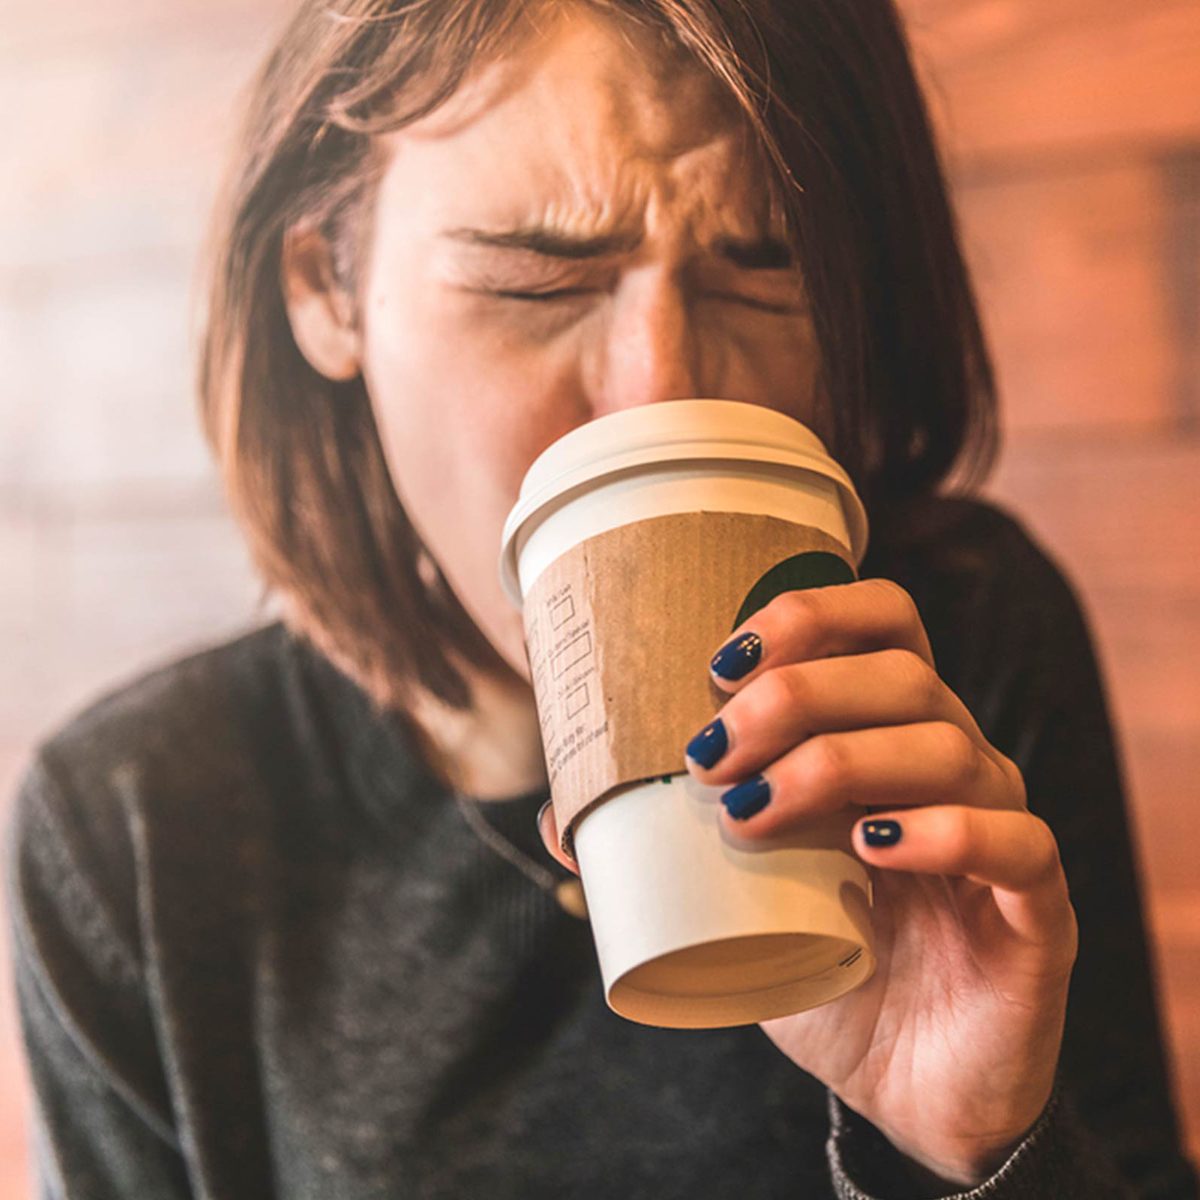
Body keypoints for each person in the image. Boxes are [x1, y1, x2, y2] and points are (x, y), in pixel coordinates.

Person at [5, 0, 1198, 1196]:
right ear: (329, 289)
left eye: (764, 269)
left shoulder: (953, 658)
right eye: (536, 281)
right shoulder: (140, 823)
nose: (658, 393)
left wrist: (984, 1152)